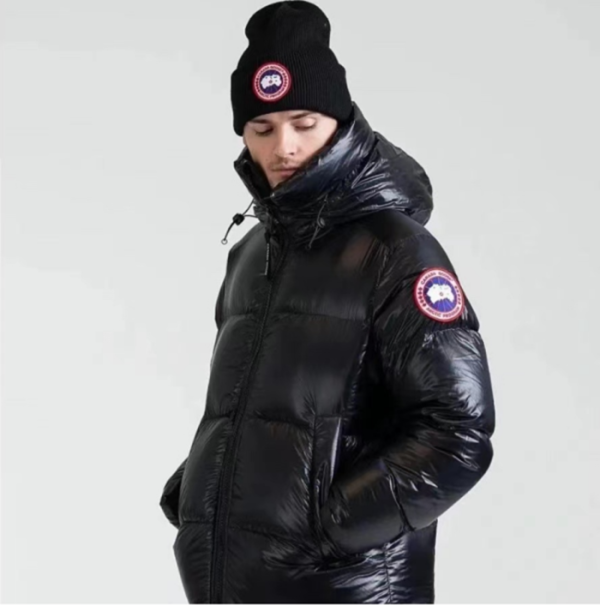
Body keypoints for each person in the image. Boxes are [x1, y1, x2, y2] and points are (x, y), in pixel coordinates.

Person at [159, 1, 496, 603]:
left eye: (304, 122)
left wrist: (330, 524)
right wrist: (199, 493)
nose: (283, 146)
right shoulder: (252, 255)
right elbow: (260, 410)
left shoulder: (396, 251)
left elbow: (458, 430)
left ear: (339, 122)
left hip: (347, 588)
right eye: (262, 129)